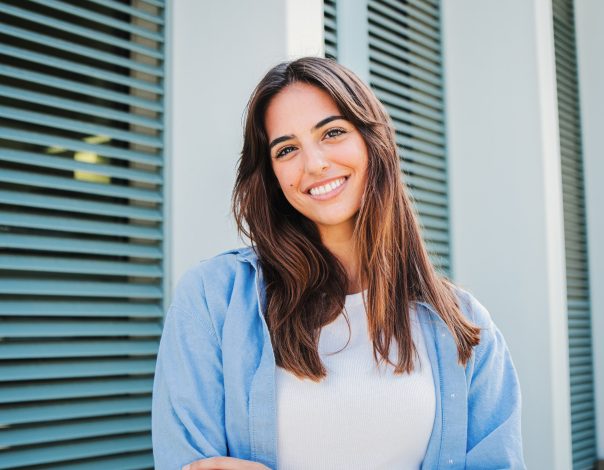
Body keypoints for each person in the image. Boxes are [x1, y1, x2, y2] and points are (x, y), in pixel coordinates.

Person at [152, 57, 525, 470]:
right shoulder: (211, 299)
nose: (313, 164)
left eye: (332, 132)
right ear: (271, 173)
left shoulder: (465, 325)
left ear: (372, 141)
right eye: (287, 149)